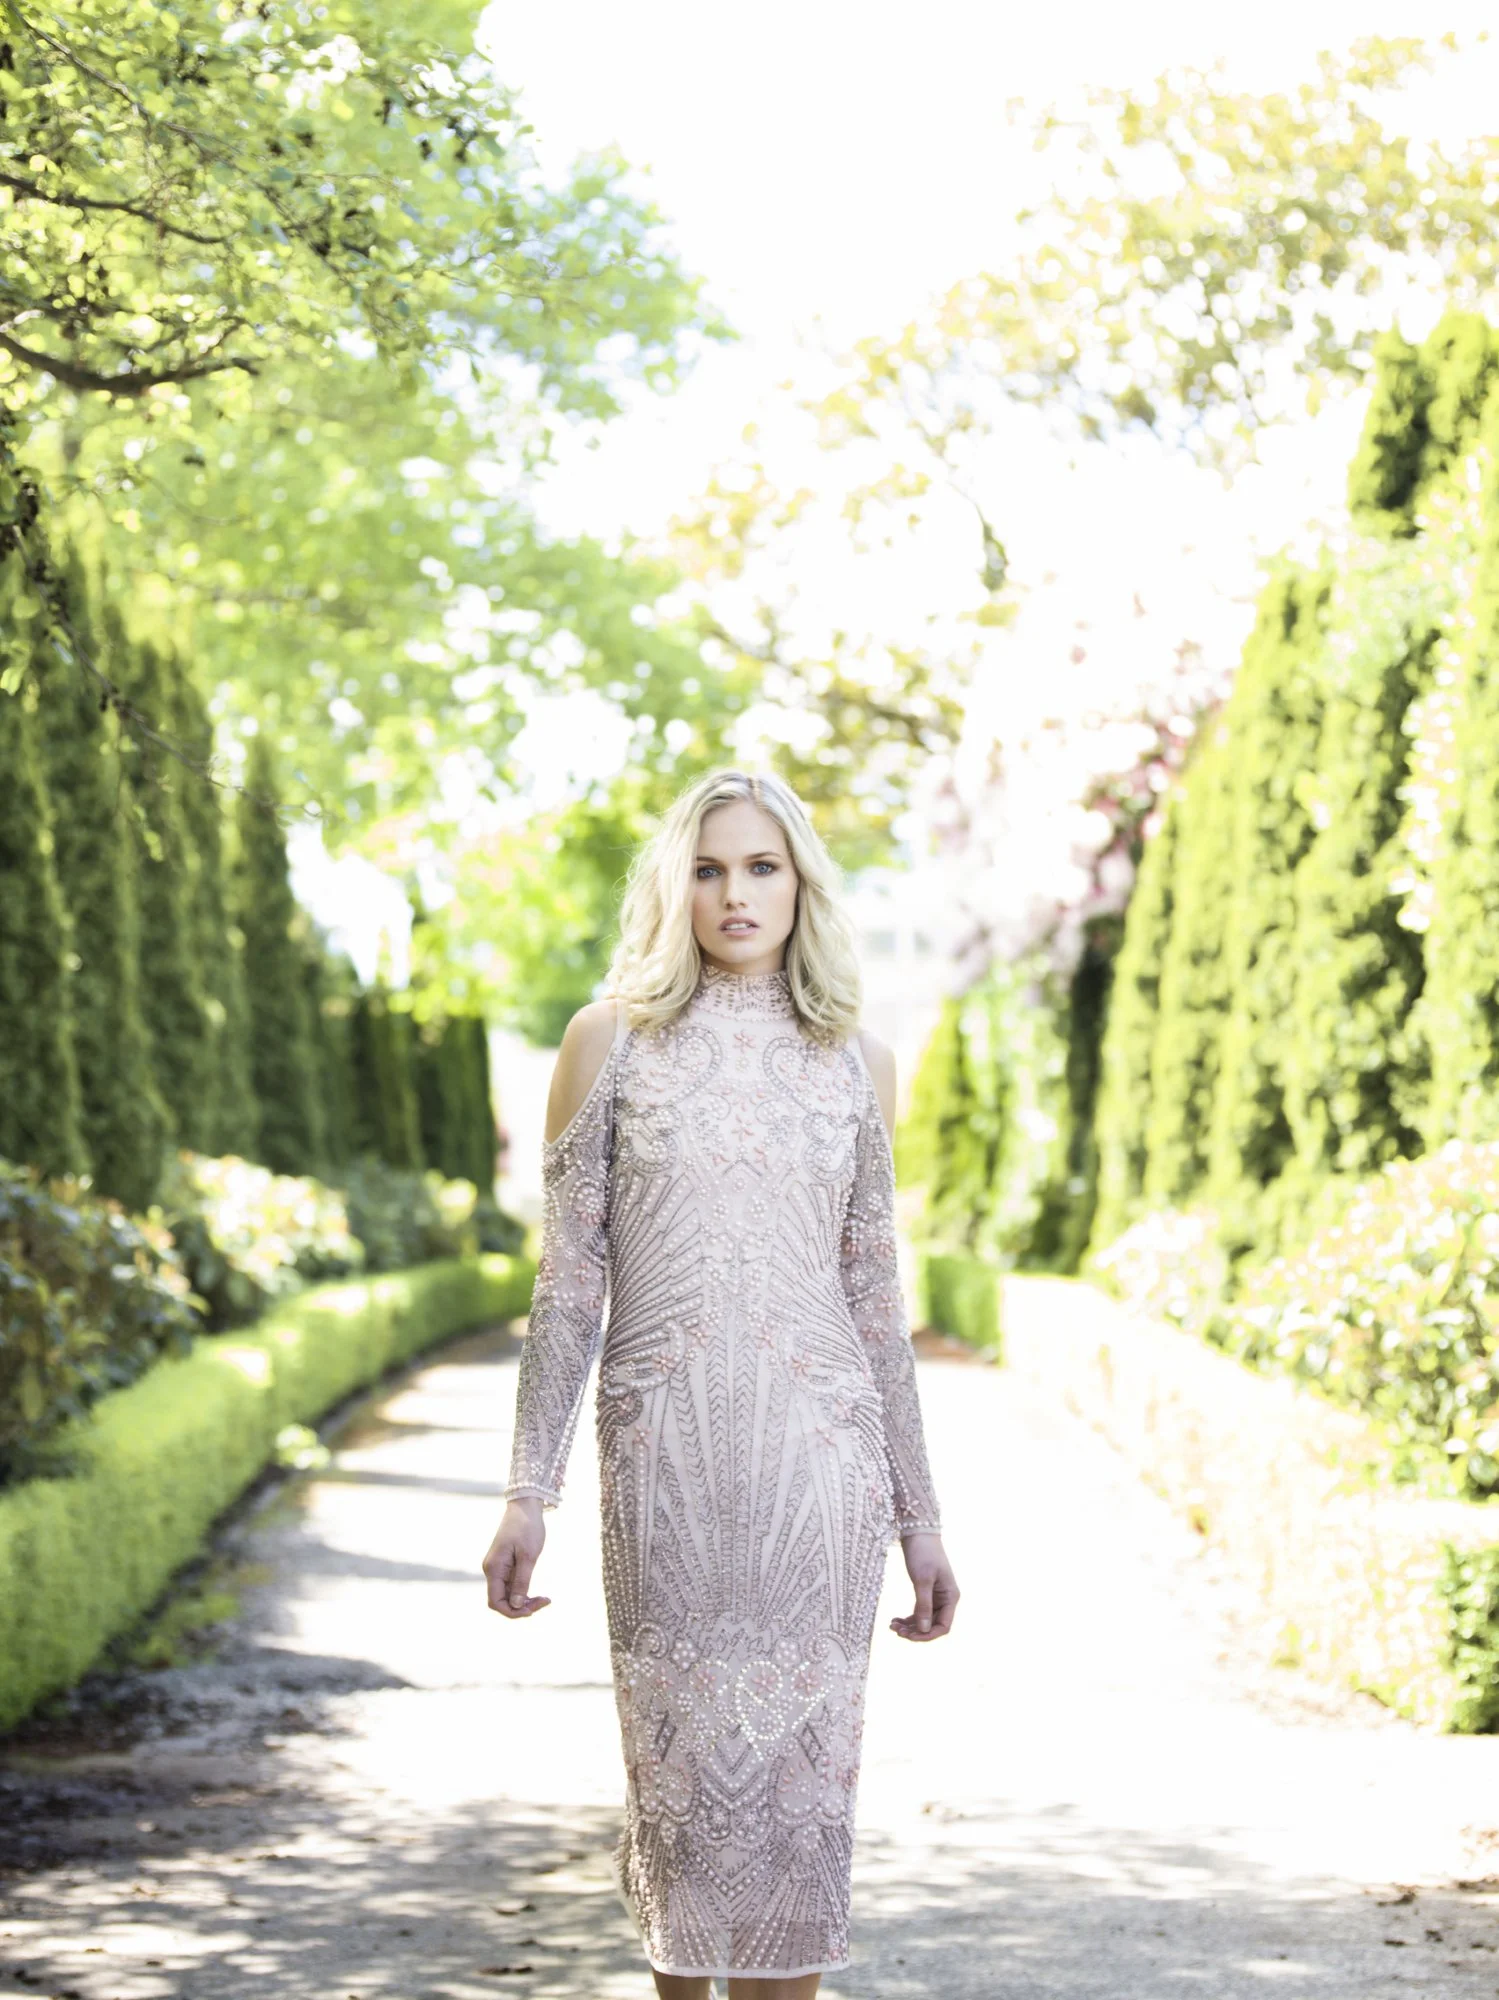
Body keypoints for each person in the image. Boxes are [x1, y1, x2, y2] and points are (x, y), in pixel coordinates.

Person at [482, 767, 959, 1999]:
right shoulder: (606, 1041)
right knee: (685, 1814)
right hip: (665, 1481)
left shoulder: (857, 1058)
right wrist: (525, 1489)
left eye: (761, 867)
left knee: (798, 1826)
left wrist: (922, 1520)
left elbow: (873, 1305)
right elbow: (567, 1287)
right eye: (708, 868)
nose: (735, 892)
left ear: (800, 884)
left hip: (822, 1483)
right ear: (672, 886)